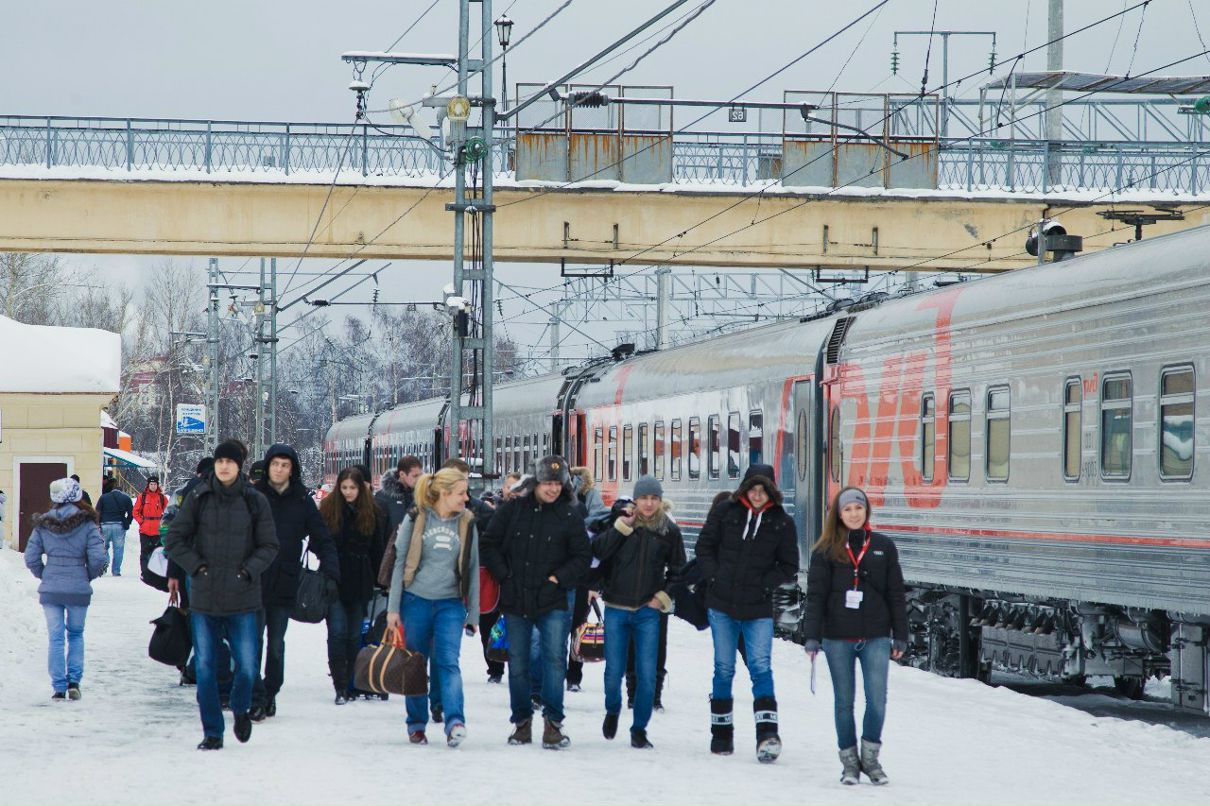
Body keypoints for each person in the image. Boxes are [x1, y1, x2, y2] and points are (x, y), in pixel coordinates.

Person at [164, 439, 279, 751]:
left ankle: (240, 708)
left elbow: (269, 545)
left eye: (229, 461)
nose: (224, 466)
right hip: (204, 598)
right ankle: (212, 731)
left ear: (239, 465)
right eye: (219, 461)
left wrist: (247, 571)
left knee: (246, 665)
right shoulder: (199, 498)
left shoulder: (254, 501)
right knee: (205, 667)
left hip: (243, 598)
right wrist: (195, 568)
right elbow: (174, 538)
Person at [480, 455, 591, 750]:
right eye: (547, 483)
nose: (553, 489)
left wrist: (560, 578)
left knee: (555, 662)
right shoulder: (513, 511)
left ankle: (553, 724)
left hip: (552, 600)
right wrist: (504, 576)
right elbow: (488, 544)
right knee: (518, 664)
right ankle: (522, 723)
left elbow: (582, 556)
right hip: (517, 599)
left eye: (557, 483)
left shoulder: (570, 515)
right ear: (535, 483)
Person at [803, 486, 907, 786]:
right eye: (847, 509)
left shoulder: (883, 547)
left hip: (876, 637)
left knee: (877, 701)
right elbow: (816, 596)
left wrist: (900, 634)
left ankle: (871, 759)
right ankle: (850, 763)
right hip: (837, 638)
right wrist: (812, 636)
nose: (853, 514)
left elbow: (896, 594)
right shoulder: (824, 551)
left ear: (866, 511)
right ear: (838, 514)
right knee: (844, 702)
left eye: (858, 508)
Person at [695, 463, 799, 762]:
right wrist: (715, 577)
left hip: (757, 608)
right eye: (753, 489)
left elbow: (789, 565)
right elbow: (704, 547)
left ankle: (767, 736)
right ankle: (721, 735)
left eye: (763, 490)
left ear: (771, 492)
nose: (757, 495)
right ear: (745, 489)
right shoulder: (725, 513)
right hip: (722, 605)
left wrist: (763, 584)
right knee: (724, 669)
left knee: (760, 667)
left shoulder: (782, 522)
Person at [386, 467, 480, 746]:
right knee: (415, 663)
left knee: (448, 662)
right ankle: (416, 724)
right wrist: (393, 609)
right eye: (461, 493)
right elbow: (399, 563)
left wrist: (473, 613)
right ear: (444, 493)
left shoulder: (467, 522)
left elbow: (473, 568)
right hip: (415, 601)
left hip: (450, 604)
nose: (466, 498)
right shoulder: (417, 518)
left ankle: (454, 721)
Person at [592, 475, 685, 749]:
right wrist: (621, 527)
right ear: (636, 499)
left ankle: (639, 728)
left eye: (654, 498)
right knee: (613, 671)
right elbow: (598, 551)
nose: (648, 503)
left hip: (648, 610)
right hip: (616, 609)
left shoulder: (668, 530)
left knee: (646, 674)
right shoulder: (621, 522)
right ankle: (612, 709)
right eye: (644, 498)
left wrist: (663, 596)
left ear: (660, 501)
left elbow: (679, 571)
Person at [251, 444, 341, 720]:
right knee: (252, 643)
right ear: (267, 467)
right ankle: (255, 696)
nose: (279, 469)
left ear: (293, 469)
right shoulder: (254, 497)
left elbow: (321, 538)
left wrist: (331, 572)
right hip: (253, 580)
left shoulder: (301, 500)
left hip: (285, 581)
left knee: (276, 644)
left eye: (285, 465)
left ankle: (271, 691)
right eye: (275, 464)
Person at [24, 477, 106, 700]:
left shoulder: (43, 524)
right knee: (76, 634)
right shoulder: (88, 524)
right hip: (78, 589)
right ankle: (74, 681)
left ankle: (58, 686)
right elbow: (99, 558)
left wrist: (45, 575)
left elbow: (31, 557)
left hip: (51, 589)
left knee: (56, 637)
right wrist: (85, 575)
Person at [318, 466, 388, 704]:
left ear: (361, 489)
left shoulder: (372, 512)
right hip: (334, 579)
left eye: (352, 488)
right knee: (337, 632)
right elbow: (320, 544)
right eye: (344, 487)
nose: (348, 492)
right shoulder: (328, 510)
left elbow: (378, 548)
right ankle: (340, 685)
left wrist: (382, 580)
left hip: (360, 579)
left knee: (353, 634)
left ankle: (350, 682)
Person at [479, 471, 521, 684]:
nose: (511, 491)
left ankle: (514, 664)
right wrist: (500, 571)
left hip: (516, 579)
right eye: (508, 486)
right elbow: (487, 545)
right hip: (494, 576)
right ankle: (494, 667)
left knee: (514, 624)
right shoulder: (491, 513)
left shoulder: (528, 513)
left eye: (516, 487)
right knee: (488, 622)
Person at [375, 455, 422, 538]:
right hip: (391, 548)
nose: (419, 479)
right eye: (415, 476)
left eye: (420, 475)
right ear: (402, 474)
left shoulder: (421, 496)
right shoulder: (383, 497)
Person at [96, 476, 134, 576]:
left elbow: (97, 512)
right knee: (118, 548)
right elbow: (131, 513)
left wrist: (98, 524)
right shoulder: (126, 498)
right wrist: (127, 522)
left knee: (103, 547)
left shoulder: (103, 497)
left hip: (105, 525)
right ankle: (116, 571)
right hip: (119, 525)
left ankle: (105, 561)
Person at [134, 476, 168, 582]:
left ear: (157, 485)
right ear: (148, 485)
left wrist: (164, 525)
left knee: (157, 552)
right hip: (145, 530)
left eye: (155, 484)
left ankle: (156, 573)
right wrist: (141, 522)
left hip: (157, 530)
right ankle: (144, 572)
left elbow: (168, 512)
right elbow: (135, 511)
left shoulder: (162, 498)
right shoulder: (142, 497)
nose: (153, 486)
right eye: (151, 484)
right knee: (144, 552)